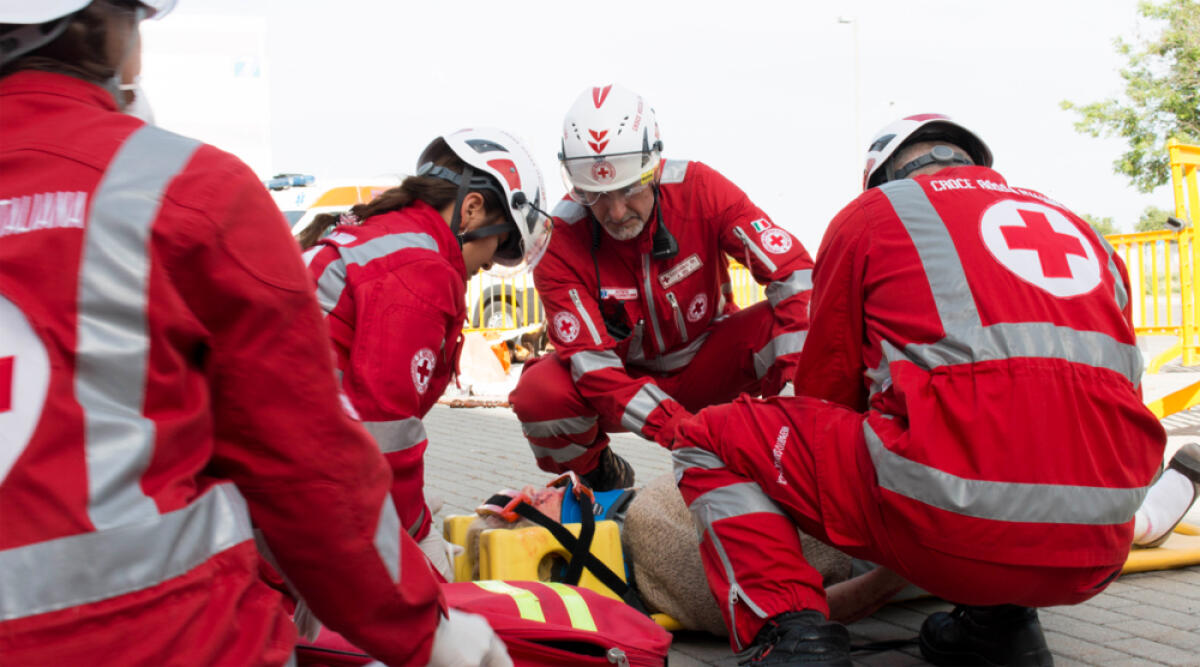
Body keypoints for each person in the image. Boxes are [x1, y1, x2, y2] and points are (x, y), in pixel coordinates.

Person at [0, 3, 507, 665]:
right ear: (115, 31)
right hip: (176, 638)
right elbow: (309, 466)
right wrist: (426, 624)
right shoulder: (190, 191)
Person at [671, 114, 1167, 666]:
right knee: (1032, 434)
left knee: (708, 436)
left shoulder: (876, 213)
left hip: (951, 521)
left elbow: (827, 392)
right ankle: (1000, 627)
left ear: (884, 176)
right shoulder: (1083, 232)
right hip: (1099, 542)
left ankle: (792, 638)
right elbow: (1114, 390)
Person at [508, 84, 815, 491]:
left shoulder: (701, 190)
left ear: (654, 167)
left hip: (713, 360)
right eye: (596, 196)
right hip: (622, 382)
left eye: (630, 188)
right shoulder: (559, 238)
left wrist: (803, 389)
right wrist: (681, 431)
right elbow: (594, 369)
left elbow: (794, 275)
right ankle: (601, 477)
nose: (616, 213)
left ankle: (798, 444)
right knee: (538, 394)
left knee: (794, 319)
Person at [298, 127, 552, 578]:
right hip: (298, 486)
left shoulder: (383, 236)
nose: (486, 268)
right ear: (472, 210)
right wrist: (414, 533)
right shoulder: (422, 269)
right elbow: (386, 430)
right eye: (494, 251)